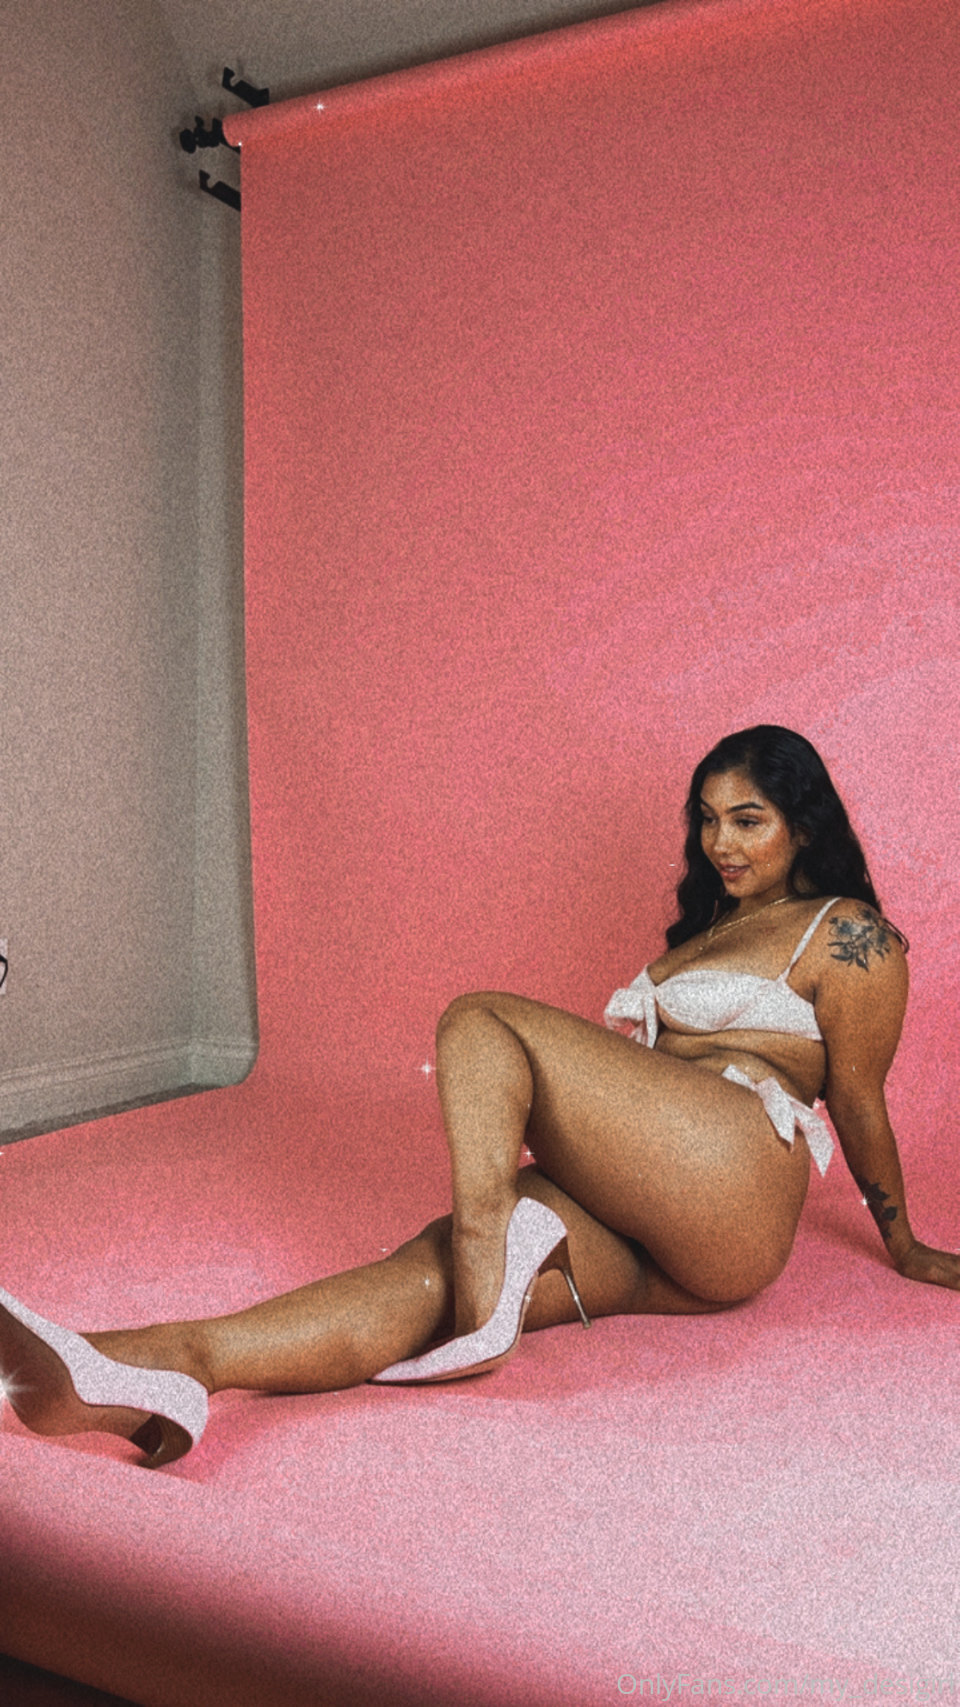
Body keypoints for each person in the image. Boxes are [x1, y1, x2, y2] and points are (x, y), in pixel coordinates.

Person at [2, 724, 957, 1467]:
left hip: (736, 1181)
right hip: (659, 1223)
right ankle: (150, 1364)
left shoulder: (848, 933)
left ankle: (486, 1261)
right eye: (707, 819)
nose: (719, 842)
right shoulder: (706, 932)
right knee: (417, 1281)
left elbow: (858, 1098)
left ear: (804, 824)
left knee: (481, 1021)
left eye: (747, 819)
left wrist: (906, 1245)